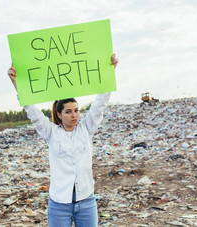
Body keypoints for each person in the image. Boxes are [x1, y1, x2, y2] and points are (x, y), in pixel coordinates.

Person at [7, 54, 118, 227]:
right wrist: (17, 84)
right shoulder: (51, 132)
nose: (74, 115)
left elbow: (100, 104)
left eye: (76, 110)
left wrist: (110, 70)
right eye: (68, 112)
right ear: (59, 114)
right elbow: (32, 111)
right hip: (59, 204)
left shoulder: (86, 129)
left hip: (86, 201)